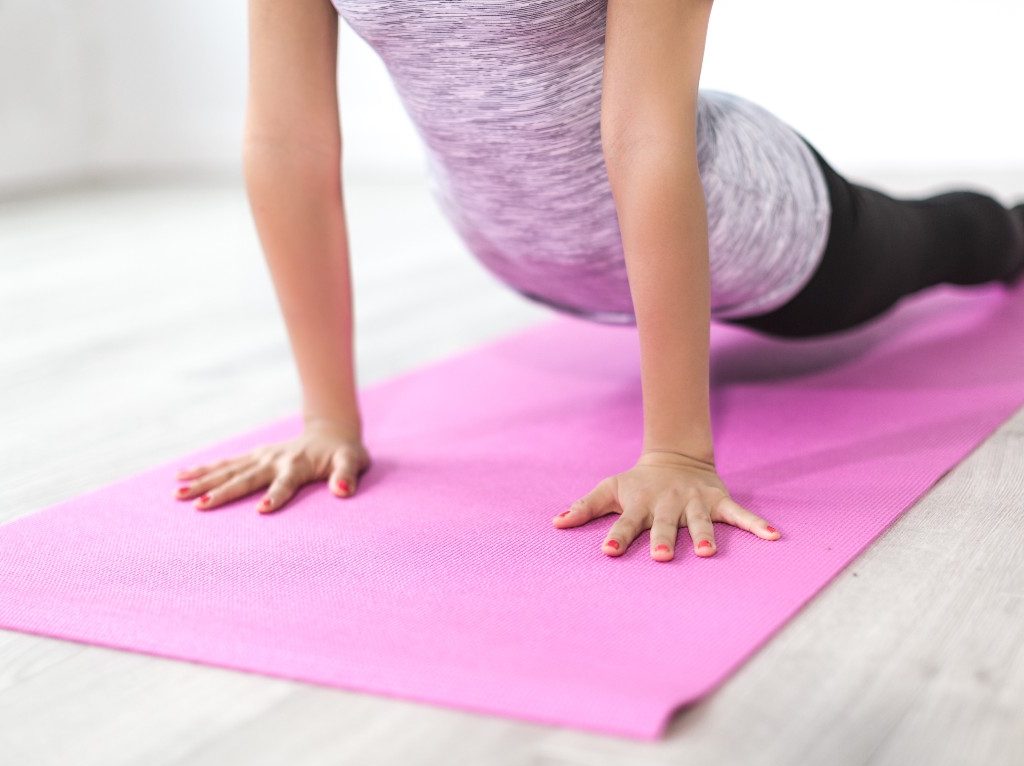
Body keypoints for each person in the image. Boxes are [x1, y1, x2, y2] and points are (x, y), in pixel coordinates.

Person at [174, 0, 1024, 562]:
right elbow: (290, 143)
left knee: (945, 240)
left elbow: (647, 138)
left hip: (755, 227)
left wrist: (677, 453)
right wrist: (328, 418)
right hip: (527, 250)